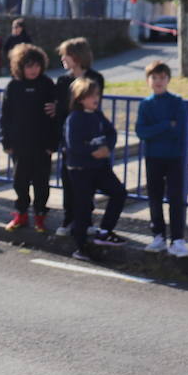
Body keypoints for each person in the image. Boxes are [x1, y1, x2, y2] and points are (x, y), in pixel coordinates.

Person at [63, 77, 128, 260]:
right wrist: (92, 152)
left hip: (100, 166)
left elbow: (111, 132)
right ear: (80, 98)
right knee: (83, 206)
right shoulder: (74, 118)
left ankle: (105, 231)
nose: (95, 98)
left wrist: (108, 147)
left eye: (97, 94)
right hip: (80, 169)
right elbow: (73, 145)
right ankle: (81, 246)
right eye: (91, 95)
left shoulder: (97, 115)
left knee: (119, 192)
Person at [0, 43, 59, 231]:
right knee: (20, 180)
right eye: (28, 66)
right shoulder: (14, 86)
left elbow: (55, 118)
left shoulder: (47, 84)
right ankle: (21, 214)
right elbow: (4, 117)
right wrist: (5, 140)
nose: (33, 70)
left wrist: (53, 143)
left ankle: (40, 215)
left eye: (36, 66)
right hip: (19, 143)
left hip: (42, 143)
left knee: (41, 181)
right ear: (20, 67)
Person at [135, 60, 188, 257]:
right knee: (155, 198)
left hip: (174, 157)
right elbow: (141, 131)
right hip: (153, 157)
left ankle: (177, 239)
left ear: (168, 79)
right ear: (148, 80)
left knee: (176, 199)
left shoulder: (177, 102)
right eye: (154, 78)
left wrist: (157, 129)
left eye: (162, 77)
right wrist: (166, 125)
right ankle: (158, 235)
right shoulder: (145, 104)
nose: (158, 81)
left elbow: (180, 130)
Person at [52, 38, 106, 236]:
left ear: (76, 56)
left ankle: (86, 220)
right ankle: (68, 219)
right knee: (68, 181)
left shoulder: (95, 78)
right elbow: (59, 111)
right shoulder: (63, 80)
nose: (62, 58)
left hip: (90, 136)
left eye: (65, 54)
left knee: (88, 182)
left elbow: (93, 105)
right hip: (69, 139)